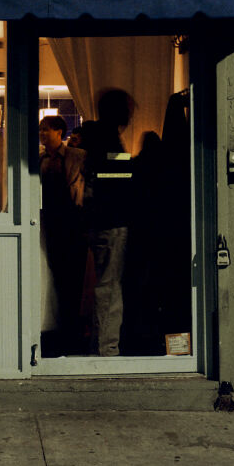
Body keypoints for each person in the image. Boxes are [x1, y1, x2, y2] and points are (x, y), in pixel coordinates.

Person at [84, 88, 135, 356]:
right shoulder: (108, 139)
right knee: (110, 287)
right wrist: (134, 164)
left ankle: (100, 345)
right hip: (111, 221)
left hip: (98, 222)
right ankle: (107, 349)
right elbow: (113, 174)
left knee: (106, 285)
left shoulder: (95, 138)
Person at [39, 115, 88, 355]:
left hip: (74, 226)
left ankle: (72, 331)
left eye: (46, 130)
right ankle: (59, 331)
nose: (42, 134)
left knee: (74, 280)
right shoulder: (40, 161)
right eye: (41, 130)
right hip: (50, 226)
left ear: (59, 132)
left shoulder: (78, 156)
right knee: (56, 279)